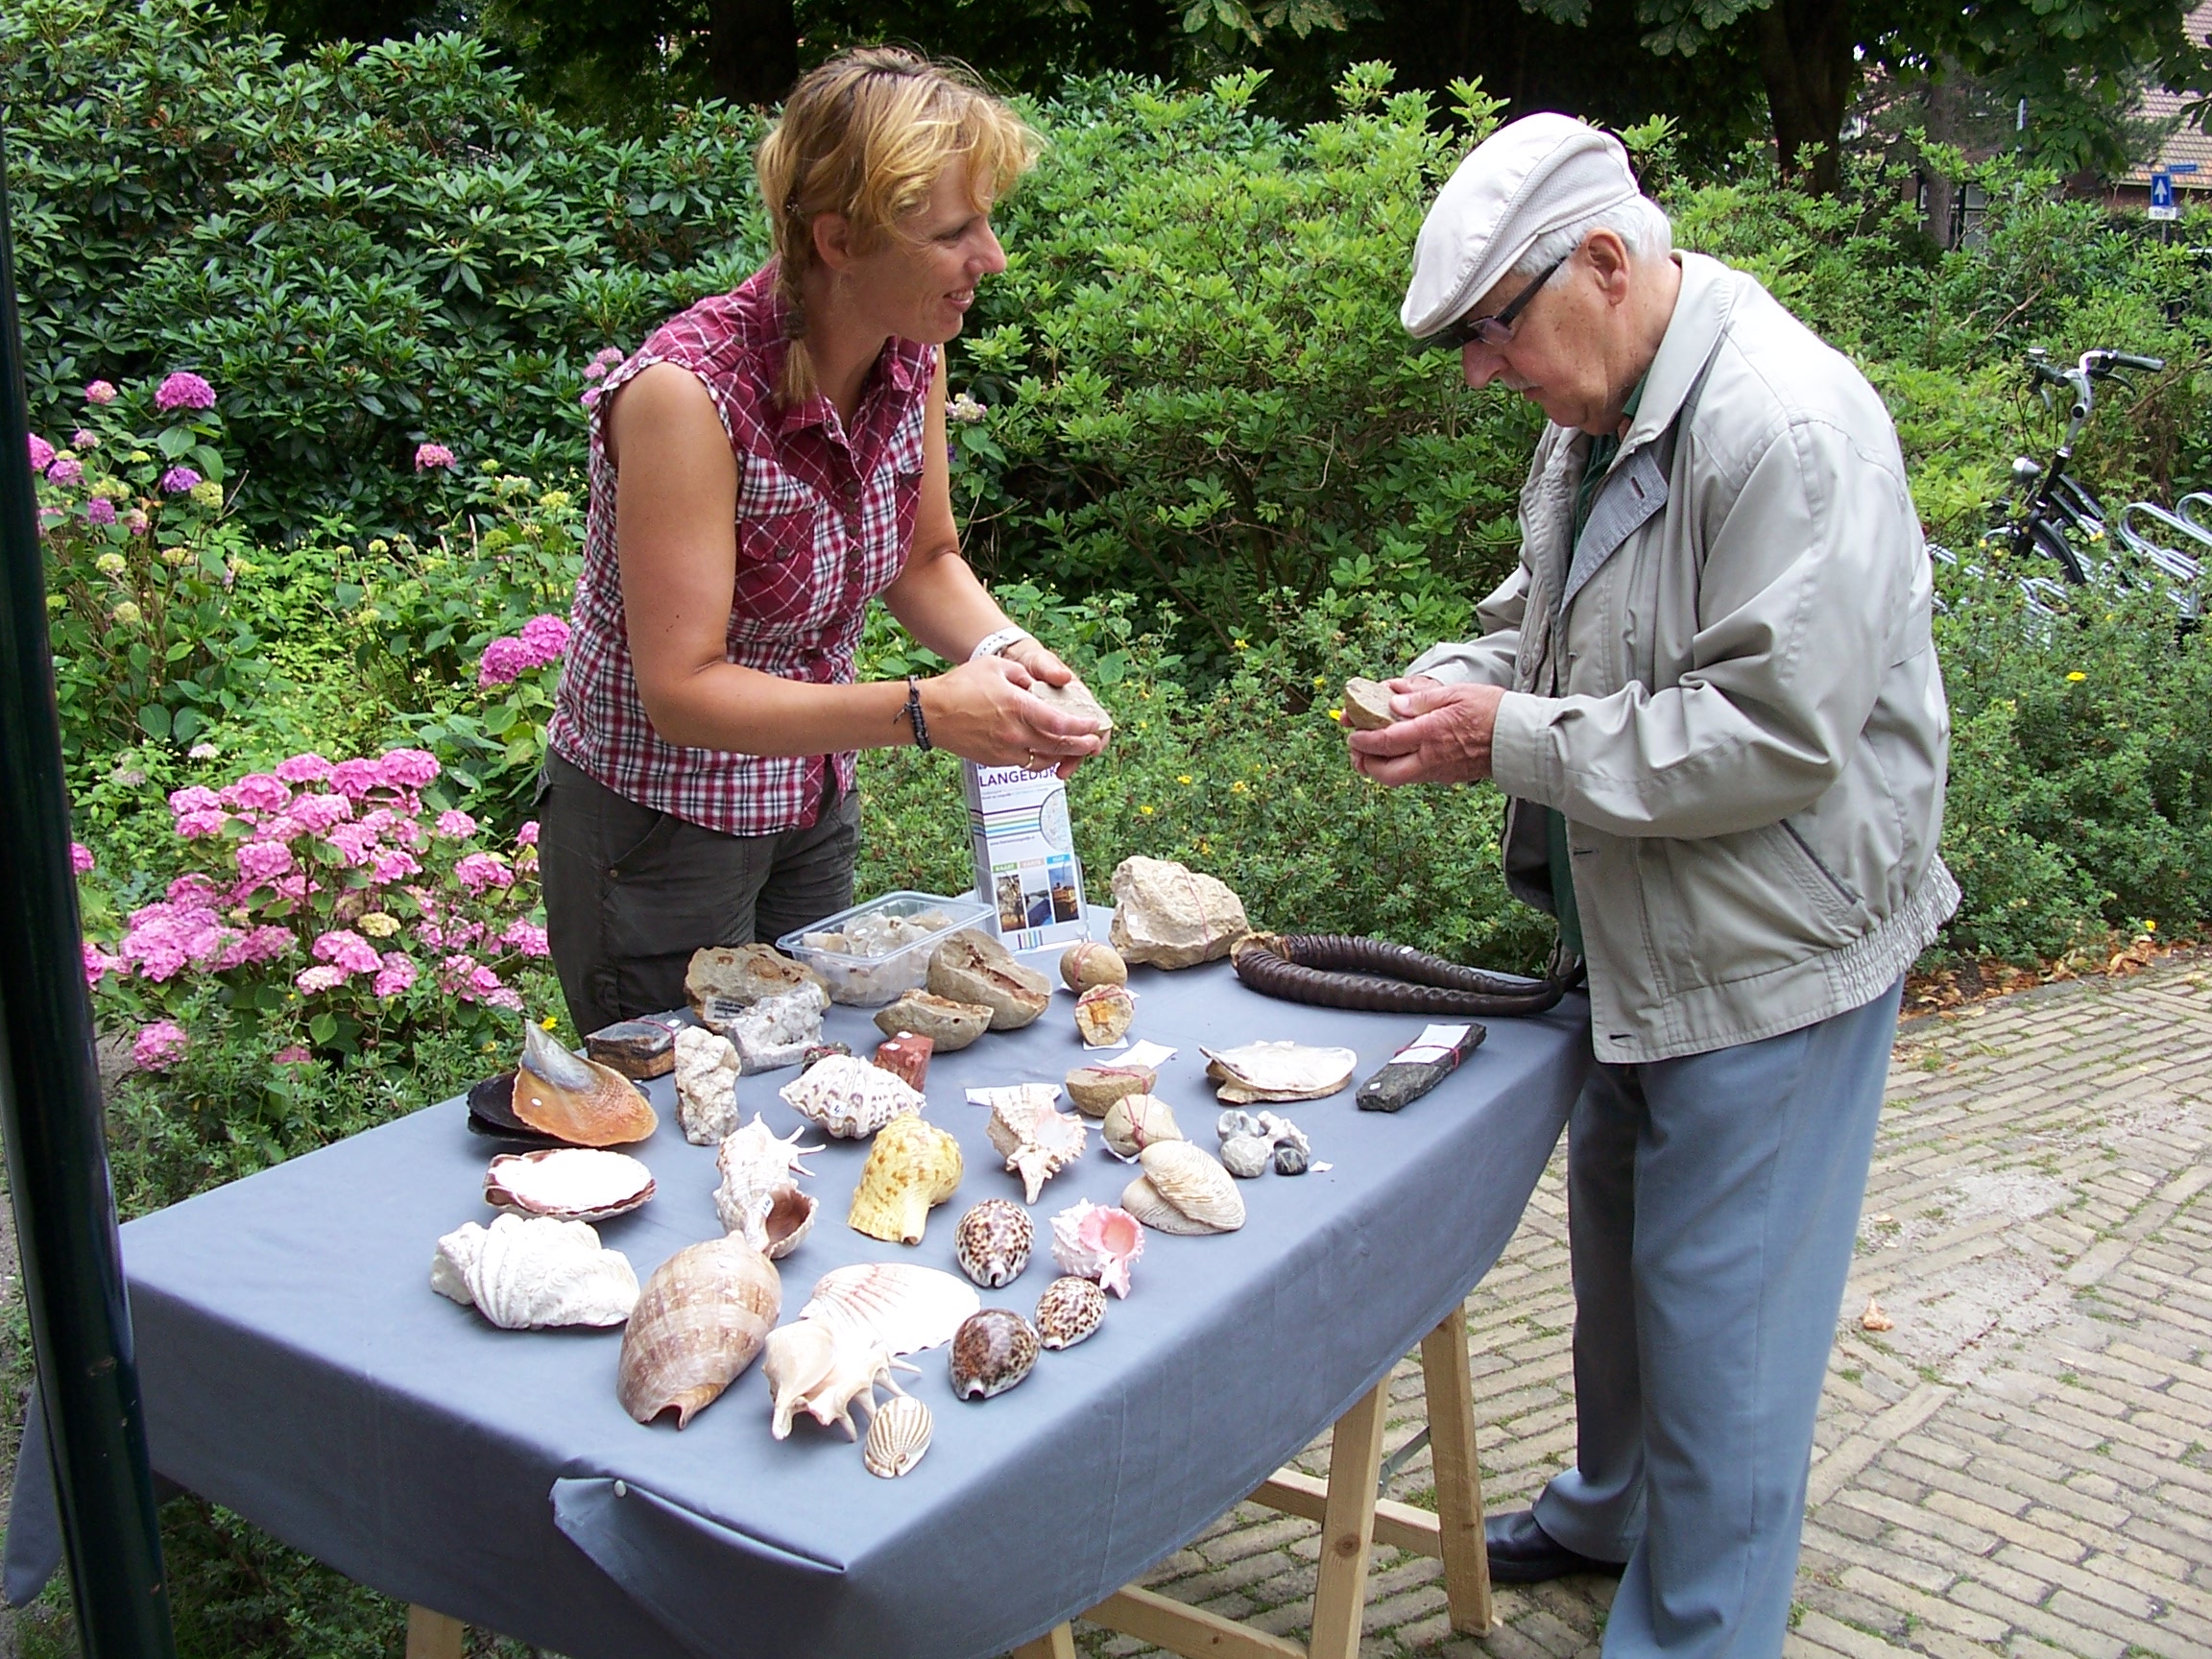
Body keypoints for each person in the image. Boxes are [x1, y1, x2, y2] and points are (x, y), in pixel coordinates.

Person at [1346, 113, 1956, 1657]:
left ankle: (1698, 1628)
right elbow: (1541, 619)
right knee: (1621, 1264)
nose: (1486, 374)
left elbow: (1771, 739)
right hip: (1637, 931)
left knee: (1726, 1325)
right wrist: (1450, 686)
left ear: (1604, 263)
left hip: (1774, 948)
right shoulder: (1606, 404)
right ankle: (1612, 1507)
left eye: (1494, 331)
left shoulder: (1785, 429)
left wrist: (1511, 739)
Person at [539, 49, 1104, 1035]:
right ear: (839, 239)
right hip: (659, 829)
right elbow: (683, 690)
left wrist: (1010, 660)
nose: (994, 258)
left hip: (810, 803)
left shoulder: (912, 353)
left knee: (815, 1078)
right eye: (955, 231)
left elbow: (924, 561)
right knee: (690, 1108)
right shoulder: (688, 396)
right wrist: (928, 712)